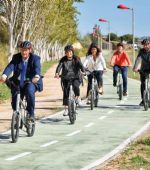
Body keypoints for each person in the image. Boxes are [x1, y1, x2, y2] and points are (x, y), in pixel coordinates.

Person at [0, 41, 43, 121]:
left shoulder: (35, 58)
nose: (24, 52)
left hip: (31, 82)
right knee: (15, 98)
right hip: (18, 82)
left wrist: (37, 76)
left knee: (29, 91)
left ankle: (30, 114)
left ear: (30, 50)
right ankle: (16, 112)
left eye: (26, 50)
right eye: (22, 50)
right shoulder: (16, 57)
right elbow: (10, 66)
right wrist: (4, 75)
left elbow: (37, 68)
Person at [55, 45, 85, 116]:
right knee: (66, 92)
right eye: (67, 52)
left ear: (72, 52)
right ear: (65, 53)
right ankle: (66, 109)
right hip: (65, 78)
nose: (69, 53)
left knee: (76, 86)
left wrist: (83, 71)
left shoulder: (76, 59)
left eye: (70, 51)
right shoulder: (63, 60)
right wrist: (57, 73)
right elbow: (59, 67)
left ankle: (77, 98)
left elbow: (81, 66)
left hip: (76, 77)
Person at [133, 39, 150, 106]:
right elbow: (138, 59)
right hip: (143, 68)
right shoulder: (141, 51)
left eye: (147, 44)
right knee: (143, 84)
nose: (146, 46)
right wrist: (135, 68)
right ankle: (143, 100)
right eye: (144, 45)